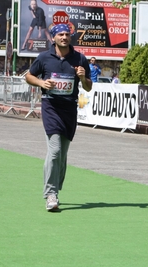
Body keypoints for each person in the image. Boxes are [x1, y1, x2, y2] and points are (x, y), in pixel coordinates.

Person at [25, 23, 92, 211]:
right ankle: (50, 193)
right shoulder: (44, 57)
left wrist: (82, 77)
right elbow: (29, 76)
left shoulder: (79, 58)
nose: (64, 37)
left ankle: (55, 189)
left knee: (62, 155)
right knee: (54, 151)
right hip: (51, 107)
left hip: (69, 109)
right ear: (53, 37)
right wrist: (41, 82)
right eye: (60, 34)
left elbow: (88, 87)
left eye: (67, 34)